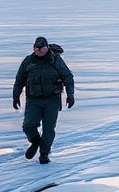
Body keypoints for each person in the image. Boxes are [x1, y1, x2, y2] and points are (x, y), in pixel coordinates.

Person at [12, 36, 74, 164]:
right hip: (33, 100)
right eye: (36, 47)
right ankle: (35, 142)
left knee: (48, 128)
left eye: (41, 47)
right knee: (28, 126)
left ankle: (44, 153)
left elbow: (67, 77)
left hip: (51, 99)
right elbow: (19, 80)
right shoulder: (28, 61)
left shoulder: (55, 60)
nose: (38, 50)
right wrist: (15, 96)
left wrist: (70, 94)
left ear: (46, 47)